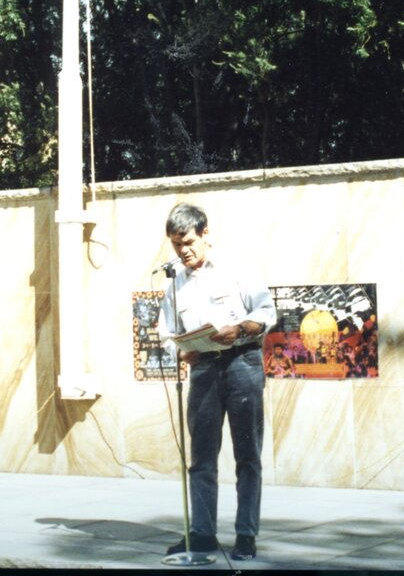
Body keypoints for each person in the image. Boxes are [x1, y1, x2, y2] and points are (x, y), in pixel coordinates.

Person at [158, 202, 277, 561]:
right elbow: (167, 333)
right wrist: (181, 351)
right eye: (177, 244)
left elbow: (266, 312)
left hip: (242, 363)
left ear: (206, 234)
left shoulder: (238, 269)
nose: (184, 250)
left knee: (247, 455)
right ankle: (202, 533)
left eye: (189, 242)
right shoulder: (175, 285)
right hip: (204, 371)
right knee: (202, 457)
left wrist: (239, 328)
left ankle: (246, 535)